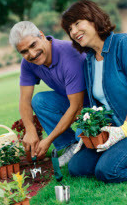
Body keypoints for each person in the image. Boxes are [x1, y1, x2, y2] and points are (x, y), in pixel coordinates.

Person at [61, 0, 127, 183]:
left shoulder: (123, 45)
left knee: (108, 171)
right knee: (77, 167)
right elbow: (95, 106)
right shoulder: (89, 62)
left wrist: (123, 130)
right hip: (111, 130)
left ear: (93, 19)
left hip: (125, 129)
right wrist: (87, 131)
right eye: (69, 29)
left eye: (77, 23)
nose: (73, 32)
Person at [9, 21, 87, 166]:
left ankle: (80, 144)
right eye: (24, 51)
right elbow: (24, 100)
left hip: (94, 107)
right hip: (71, 102)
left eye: (33, 45)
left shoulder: (70, 55)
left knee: (84, 155)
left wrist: (48, 140)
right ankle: (70, 145)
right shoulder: (28, 63)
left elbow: (77, 107)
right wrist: (30, 129)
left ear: (42, 36)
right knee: (39, 100)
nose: (31, 54)